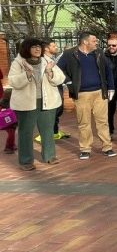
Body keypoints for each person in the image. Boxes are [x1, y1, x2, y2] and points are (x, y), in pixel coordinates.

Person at [8, 38, 66, 170]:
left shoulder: (48, 61)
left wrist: (49, 72)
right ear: (27, 48)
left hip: (47, 102)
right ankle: (26, 161)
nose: (37, 49)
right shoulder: (18, 63)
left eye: (39, 47)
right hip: (27, 103)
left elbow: (60, 79)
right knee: (26, 132)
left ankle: (49, 156)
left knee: (47, 130)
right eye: (34, 47)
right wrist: (27, 74)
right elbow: (13, 82)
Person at [58, 32, 117, 160]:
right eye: (94, 41)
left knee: (103, 122)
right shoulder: (69, 54)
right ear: (85, 42)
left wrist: (111, 87)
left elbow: (108, 70)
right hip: (81, 93)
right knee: (84, 122)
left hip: (100, 92)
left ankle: (107, 147)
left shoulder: (99, 53)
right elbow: (59, 68)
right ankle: (85, 149)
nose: (97, 43)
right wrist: (68, 81)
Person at [41, 39, 69, 140]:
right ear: (46, 49)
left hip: (57, 89)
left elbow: (60, 76)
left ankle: (55, 131)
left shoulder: (51, 59)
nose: (56, 47)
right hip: (51, 91)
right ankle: (47, 133)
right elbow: (55, 78)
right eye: (53, 46)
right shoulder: (43, 61)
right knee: (52, 112)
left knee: (58, 111)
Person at [0, 87, 16, 155]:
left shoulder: (2, 101)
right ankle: (9, 147)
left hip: (8, 122)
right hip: (10, 122)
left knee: (11, 134)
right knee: (11, 135)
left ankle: (12, 145)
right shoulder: (11, 102)